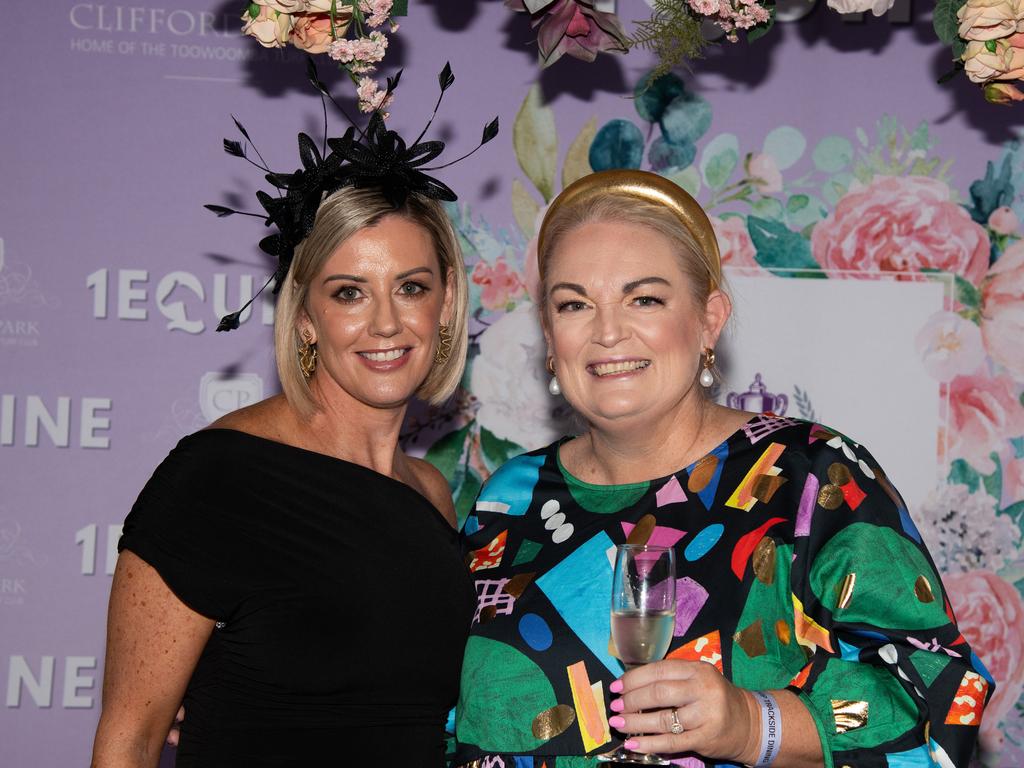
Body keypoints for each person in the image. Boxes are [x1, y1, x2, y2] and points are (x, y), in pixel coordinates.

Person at [453, 169, 992, 768]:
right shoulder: (508, 498)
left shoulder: (812, 477)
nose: (607, 332)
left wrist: (753, 725)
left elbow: (940, 697)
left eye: (644, 299)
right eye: (574, 304)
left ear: (708, 319)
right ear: (551, 336)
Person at [90, 64, 497, 766]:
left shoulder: (430, 492)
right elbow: (128, 740)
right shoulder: (217, 477)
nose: (386, 323)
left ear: (446, 301)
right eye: (348, 293)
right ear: (304, 316)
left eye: (410, 287)